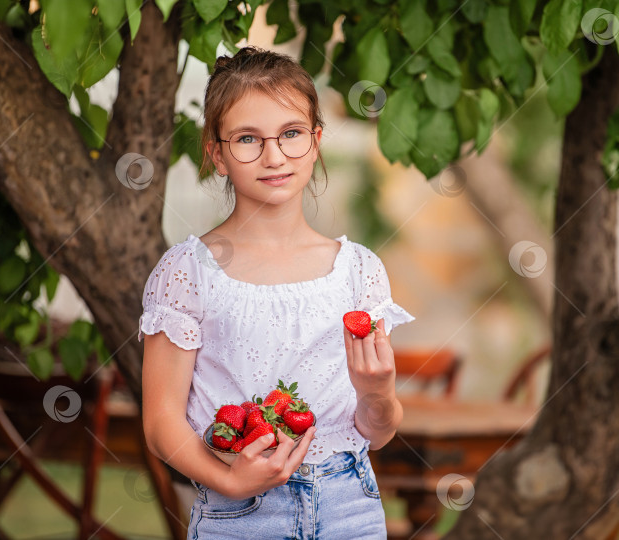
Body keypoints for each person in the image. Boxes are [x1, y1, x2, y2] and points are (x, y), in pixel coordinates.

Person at [138, 46, 415, 539]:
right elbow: (161, 423)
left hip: (349, 507)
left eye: (290, 134)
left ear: (316, 141)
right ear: (217, 154)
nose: (274, 156)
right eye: (248, 139)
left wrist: (378, 392)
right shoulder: (188, 271)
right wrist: (229, 478)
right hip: (238, 516)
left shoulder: (358, 271)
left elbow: (378, 430)